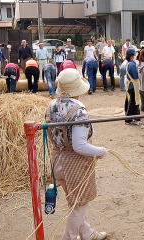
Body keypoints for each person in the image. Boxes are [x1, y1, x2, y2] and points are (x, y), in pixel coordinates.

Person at [45, 68, 107, 240]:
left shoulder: (52, 105)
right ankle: (69, 237)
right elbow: (79, 145)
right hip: (75, 163)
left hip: (58, 159)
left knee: (75, 202)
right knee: (78, 205)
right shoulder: (78, 111)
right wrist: (100, 151)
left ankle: (87, 233)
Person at [124, 48, 140, 125]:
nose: (135, 55)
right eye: (134, 54)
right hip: (133, 86)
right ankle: (128, 119)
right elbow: (136, 76)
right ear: (131, 56)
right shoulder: (132, 64)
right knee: (133, 103)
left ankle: (134, 118)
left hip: (130, 86)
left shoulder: (128, 63)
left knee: (132, 102)